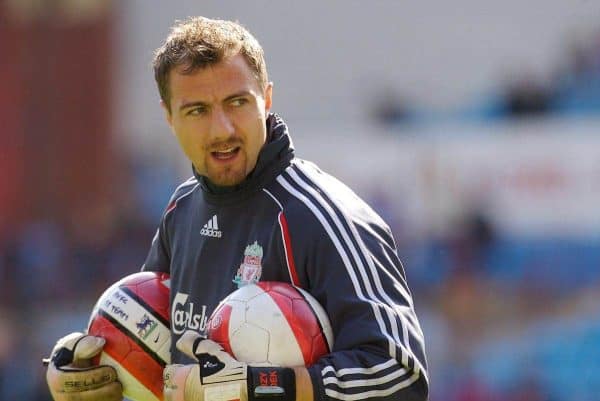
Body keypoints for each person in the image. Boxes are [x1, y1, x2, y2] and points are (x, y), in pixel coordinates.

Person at [45, 16, 429, 401]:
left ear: (267, 99)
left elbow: (400, 376)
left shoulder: (325, 217)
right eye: (197, 110)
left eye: (237, 102)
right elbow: (163, 368)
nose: (222, 129)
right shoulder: (181, 210)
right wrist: (91, 375)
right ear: (169, 117)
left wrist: (261, 386)